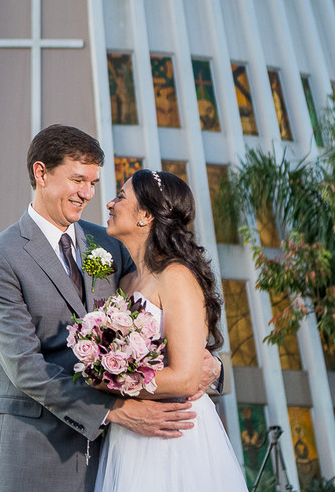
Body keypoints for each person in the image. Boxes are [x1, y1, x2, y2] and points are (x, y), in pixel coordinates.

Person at [0, 125, 221, 492]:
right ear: (41, 173)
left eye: (93, 182)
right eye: (78, 180)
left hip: (116, 452)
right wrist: (116, 410)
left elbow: (162, 312)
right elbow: (24, 366)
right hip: (34, 445)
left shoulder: (111, 242)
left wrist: (211, 364)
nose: (88, 194)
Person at [96, 168, 247, 491]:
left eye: (121, 197)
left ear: (145, 216)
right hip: (128, 436)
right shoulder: (124, 282)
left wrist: (107, 380)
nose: (110, 203)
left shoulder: (176, 276)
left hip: (173, 434)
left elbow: (186, 377)